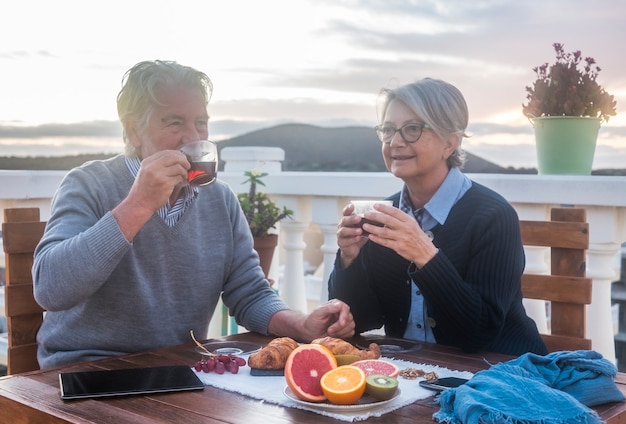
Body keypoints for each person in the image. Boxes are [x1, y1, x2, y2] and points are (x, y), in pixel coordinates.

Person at [33, 60, 354, 368]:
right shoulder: (89, 184)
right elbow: (51, 288)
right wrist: (139, 204)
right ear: (133, 130)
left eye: (201, 122)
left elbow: (250, 294)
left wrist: (303, 325)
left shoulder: (219, 199)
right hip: (88, 369)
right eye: (175, 123)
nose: (194, 137)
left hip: (178, 369)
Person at [328, 78, 547, 356]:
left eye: (412, 129)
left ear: (450, 143)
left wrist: (425, 256)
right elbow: (361, 319)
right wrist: (350, 258)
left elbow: (479, 333)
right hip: (412, 373)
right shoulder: (385, 214)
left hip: (495, 374)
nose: (395, 142)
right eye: (388, 130)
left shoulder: (494, 216)